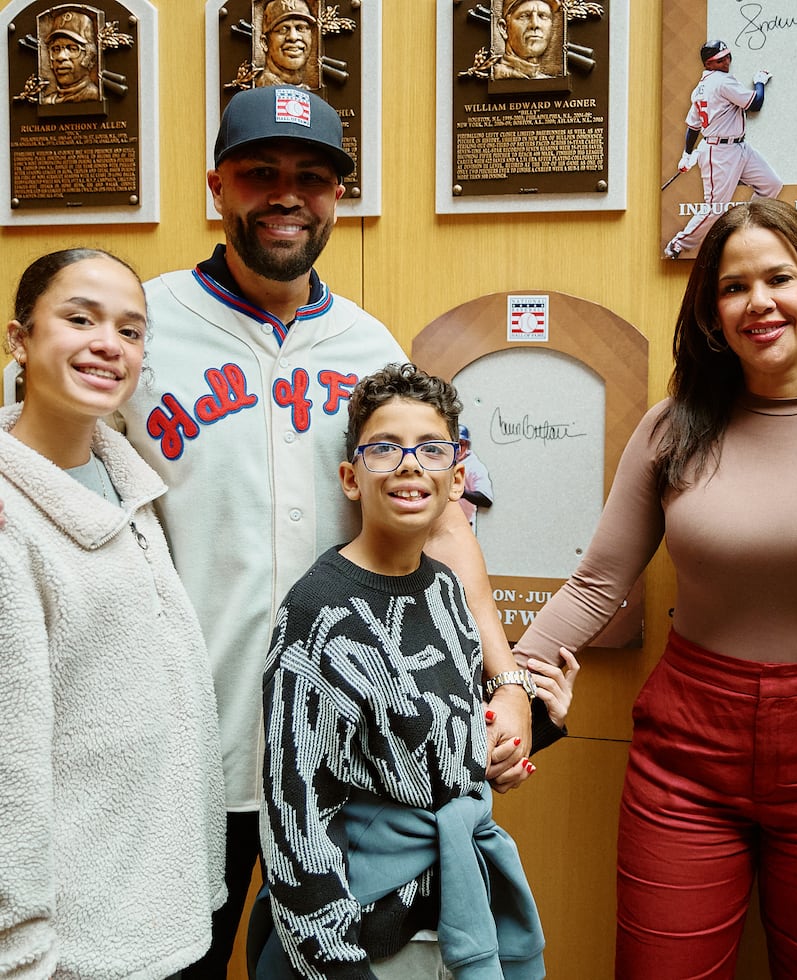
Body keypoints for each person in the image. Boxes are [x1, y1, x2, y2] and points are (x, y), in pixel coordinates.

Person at [116, 85, 532, 977]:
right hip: (187, 752)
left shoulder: (369, 347)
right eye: (260, 172)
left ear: (338, 197)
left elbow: (445, 523)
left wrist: (509, 682)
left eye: (312, 177)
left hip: (348, 770)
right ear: (216, 187)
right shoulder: (141, 330)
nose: (286, 195)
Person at [514, 199, 797, 979]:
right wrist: (509, 685)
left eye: (780, 278)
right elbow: (598, 583)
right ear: (711, 312)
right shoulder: (672, 428)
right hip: (687, 758)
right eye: (733, 287)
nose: (758, 302)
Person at [254, 363, 576, 978]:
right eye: (385, 449)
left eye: (430, 448)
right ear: (351, 477)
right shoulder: (318, 613)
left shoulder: (446, 590)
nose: (409, 463)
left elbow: (430, 752)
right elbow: (292, 816)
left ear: (456, 479)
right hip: (362, 933)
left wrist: (534, 726)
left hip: (448, 913)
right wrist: (338, 964)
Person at [0, 249, 226, 978]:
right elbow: (10, 770)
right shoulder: (10, 527)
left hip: (166, 916)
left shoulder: (125, 481)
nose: (110, 345)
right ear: (19, 339)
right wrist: (21, 954)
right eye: (80, 319)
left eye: (131, 332)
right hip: (78, 954)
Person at [664, 40, 781, 260]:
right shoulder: (721, 82)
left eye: (727, 56)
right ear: (709, 63)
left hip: (738, 147)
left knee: (771, 184)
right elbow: (755, 104)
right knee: (715, 208)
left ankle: (745, 228)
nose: (726, 61)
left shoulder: (701, 87)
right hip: (719, 151)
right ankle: (677, 244)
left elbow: (693, 126)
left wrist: (687, 155)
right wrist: (759, 82)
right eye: (720, 59)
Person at [40, 8, 101, 104]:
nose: (61, 57)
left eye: (72, 48)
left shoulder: (94, 95)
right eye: (56, 49)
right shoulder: (47, 101)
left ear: (89, 57)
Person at [492, 0, 561, 80]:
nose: (535, 24)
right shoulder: (497, 73)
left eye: (542, 16)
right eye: (524, 16)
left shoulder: (546, 80)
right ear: (504, 28)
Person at [256, 0, 317, 89]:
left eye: (301, 28)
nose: (293, 37)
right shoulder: (261, 88)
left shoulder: (306, 90)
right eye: (283, 29)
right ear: (265, 43)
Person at [457, 423, 494, 529]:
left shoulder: (474, 466)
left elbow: (486, 500)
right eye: (455, 444)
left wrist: (463, 492)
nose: (458, 449)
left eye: (462, 444)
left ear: (467, 445)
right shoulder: (443, 461)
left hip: (464, 527)